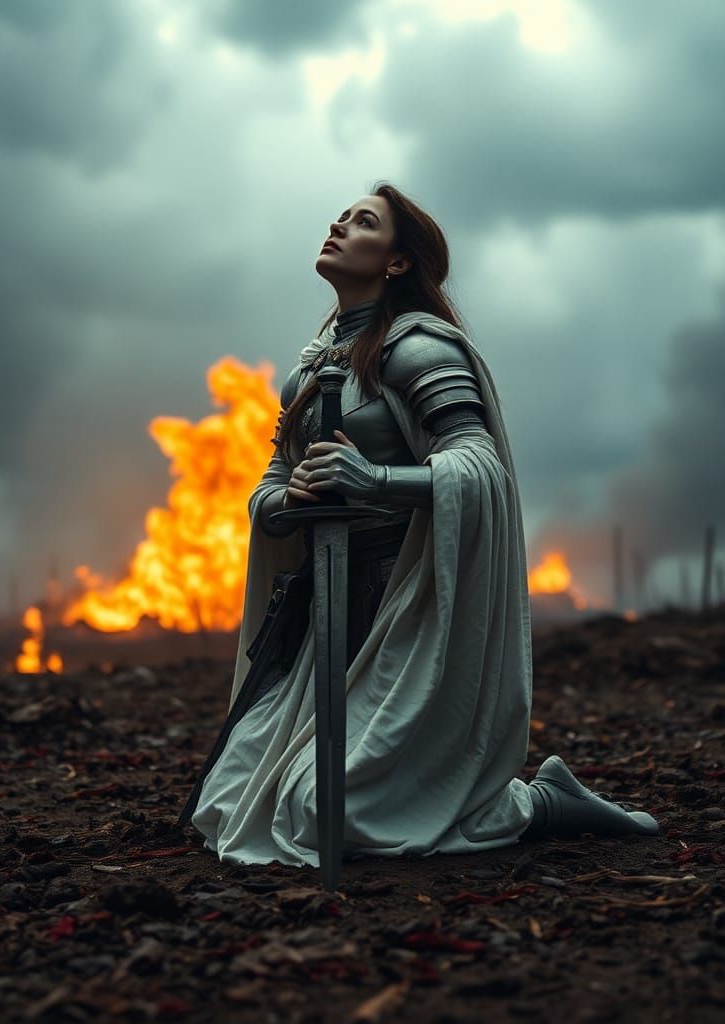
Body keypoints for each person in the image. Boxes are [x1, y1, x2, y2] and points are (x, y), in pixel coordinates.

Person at [187, 182, 661, 866]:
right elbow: (268, 485)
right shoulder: (308, 370)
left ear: (397, 262)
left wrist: (371, 480)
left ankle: (540, 802)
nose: (339, 224)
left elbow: (480, 467)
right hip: (326, 619)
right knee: (230, 801)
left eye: (363, 222)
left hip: (407, 614)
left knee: (323, 810)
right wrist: (290, 498)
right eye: (342, 216)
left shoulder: (414, 350)